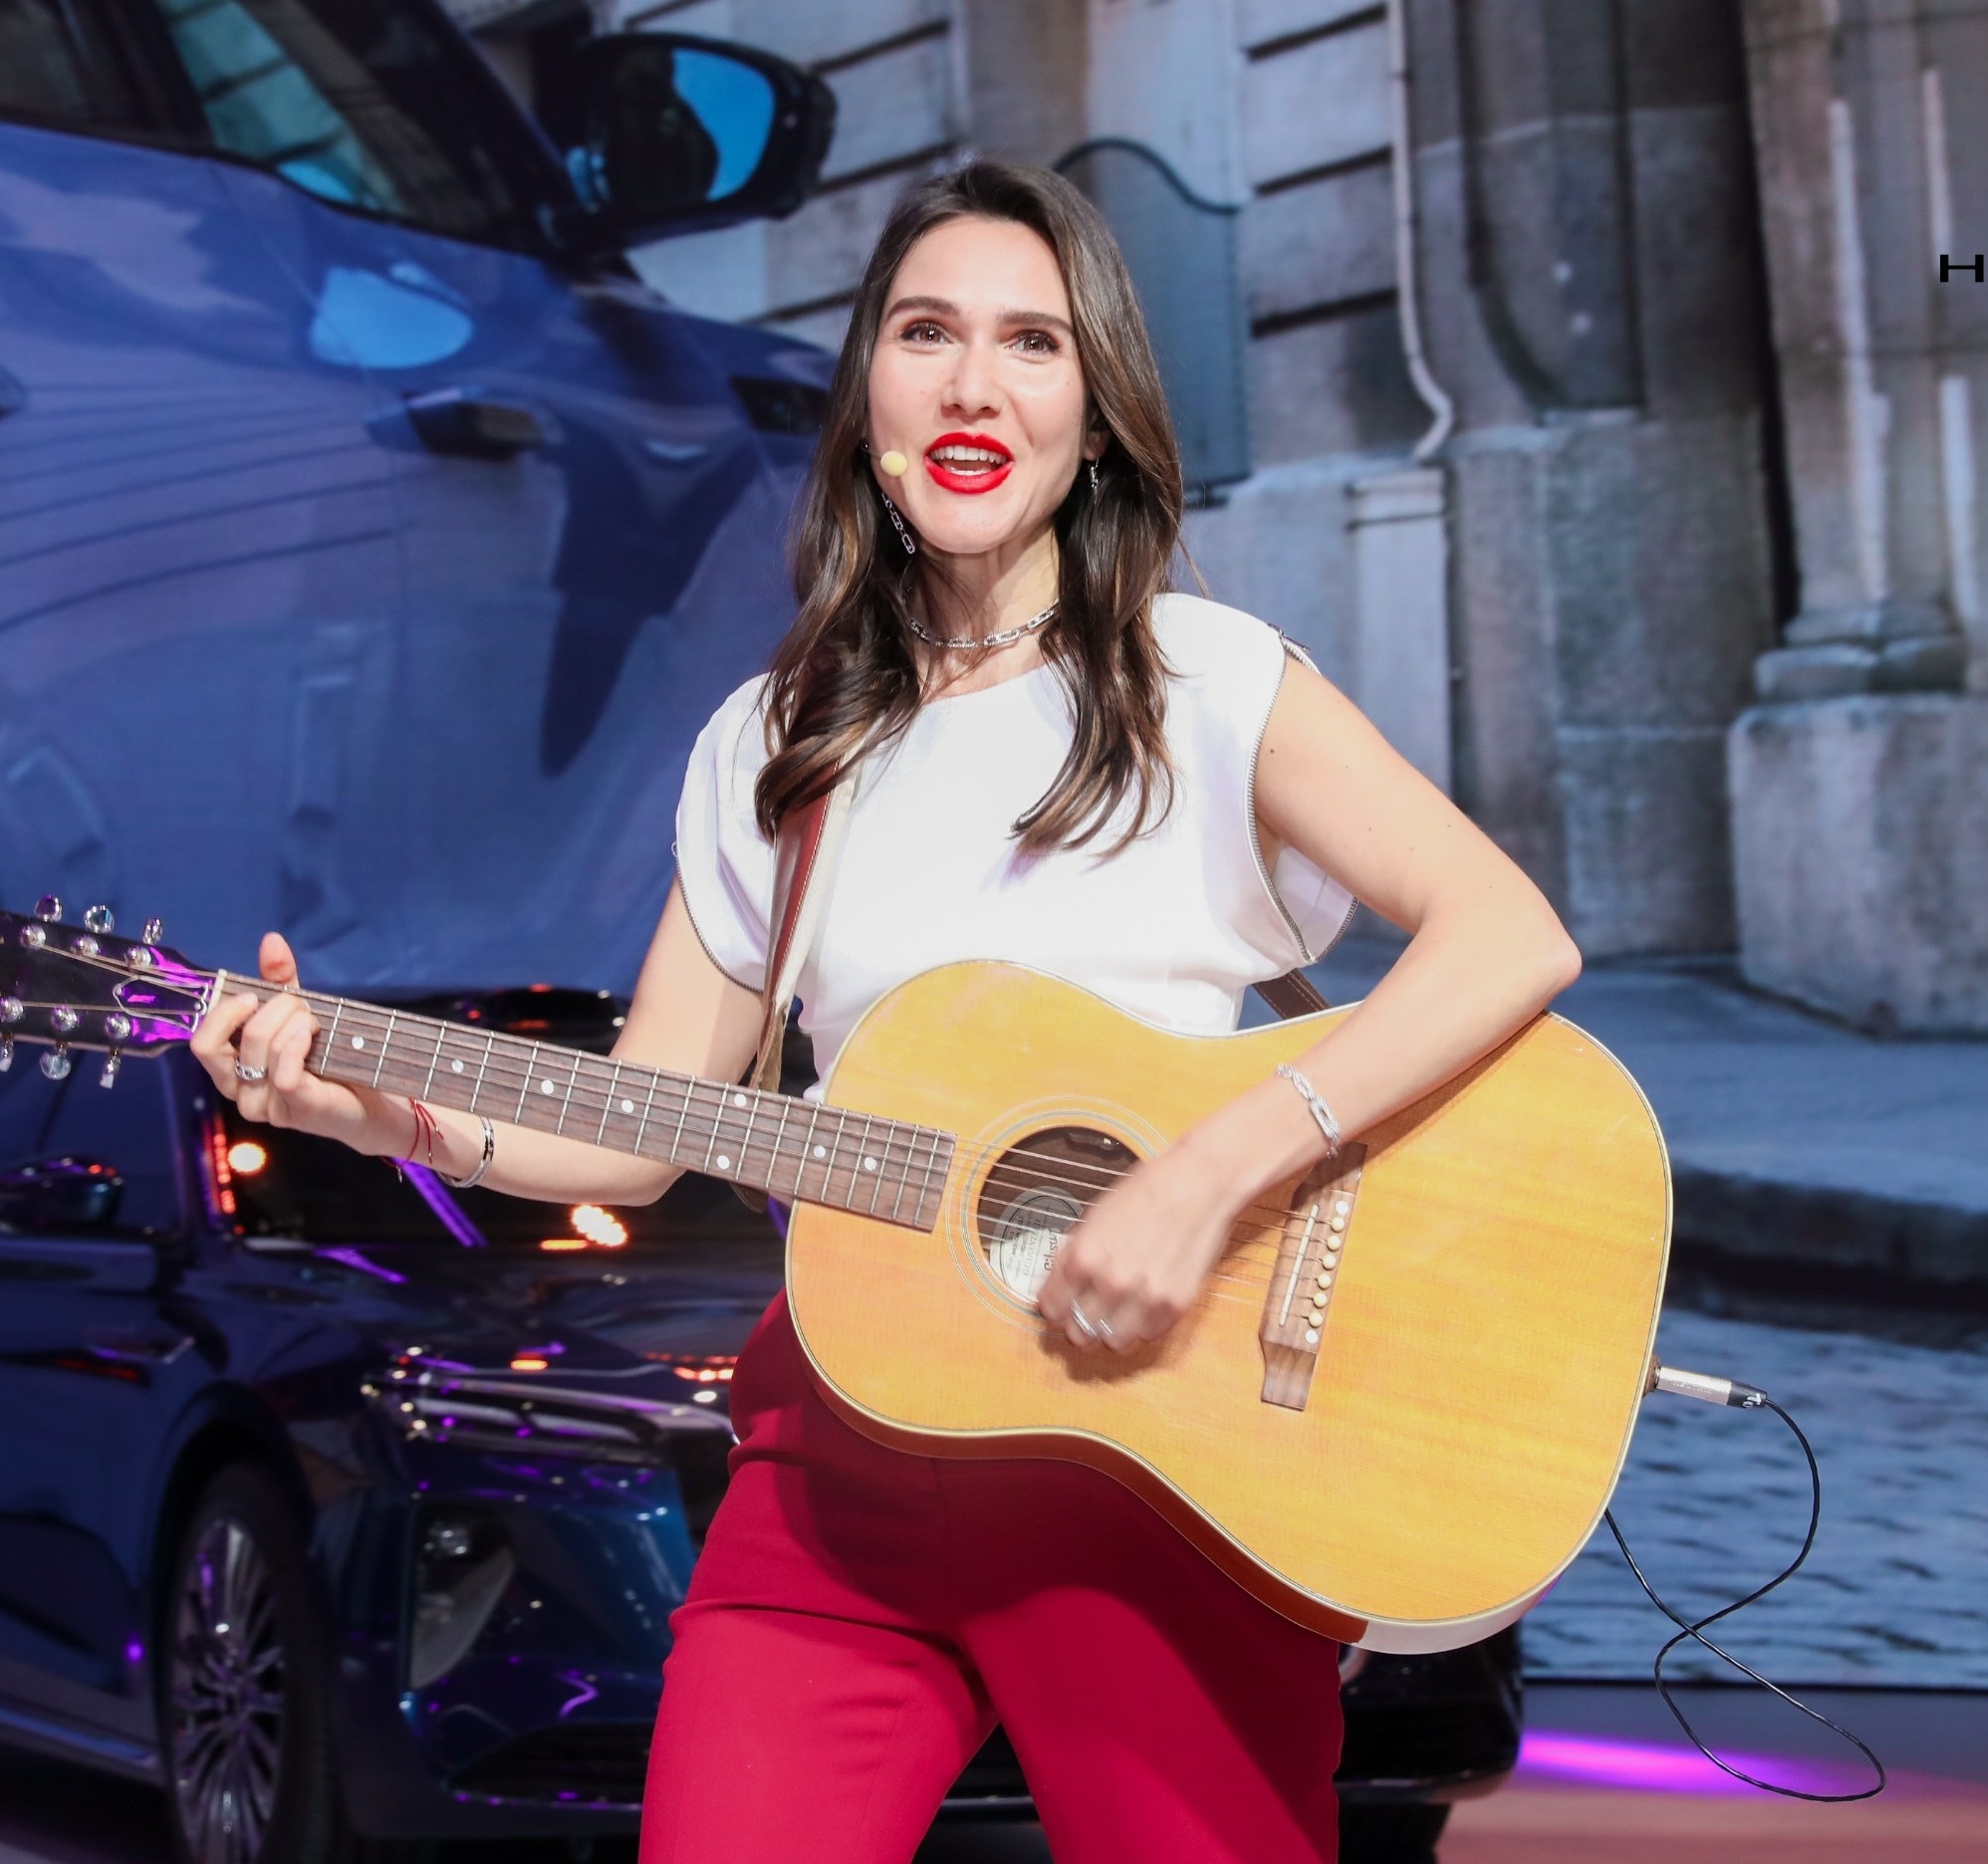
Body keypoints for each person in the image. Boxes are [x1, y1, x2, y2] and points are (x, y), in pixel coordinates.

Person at [193, 157, 1580, 1864]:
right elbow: (637, 1124)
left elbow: (1504, 934)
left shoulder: (1206, 681)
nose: (973, 384)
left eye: (1031, 342)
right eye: (925, 334)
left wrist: (1207, 1173)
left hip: (1150, 1459)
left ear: (1097, 415)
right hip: (840, 1463)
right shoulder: (774, 743)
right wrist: (367, 1105)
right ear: (868, 394)